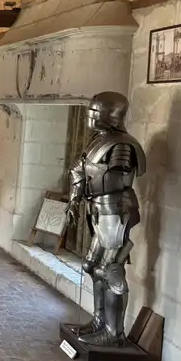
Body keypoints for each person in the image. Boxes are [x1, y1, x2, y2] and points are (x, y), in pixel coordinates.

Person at [65, 91, 146, 347]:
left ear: (111, 115)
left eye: (95, 111)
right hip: (99, 209)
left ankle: (113, 332)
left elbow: (114, 180)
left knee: (110, 270)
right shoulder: (98, 140)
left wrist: (89, 180)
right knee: (91, 266)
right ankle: (99, 322)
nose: (91, 116)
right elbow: (78, 170)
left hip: (115, 210)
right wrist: (74, 200)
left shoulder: (122, 145)